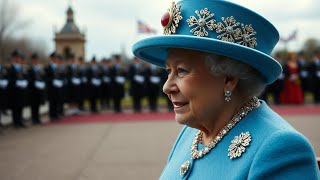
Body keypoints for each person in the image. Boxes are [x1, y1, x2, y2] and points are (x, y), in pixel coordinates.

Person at [132, 0, 320, 179]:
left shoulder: (280, 149)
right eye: (168, 71)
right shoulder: (193, 131)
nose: (167, 87)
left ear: (229, 78)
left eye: (182, 71)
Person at [28, 53, 46, 125]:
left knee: (38, 104)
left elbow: (42, 77)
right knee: (33, 105)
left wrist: (42, 83)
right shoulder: (29, 69)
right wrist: (34, 83)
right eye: (34, 60)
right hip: (33, 90)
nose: (36, 61)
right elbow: (29, 78)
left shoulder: (40, 69)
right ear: (32, 60)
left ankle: (37, 118)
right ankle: (33, 119)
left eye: (37, 60)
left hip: (39, 90)